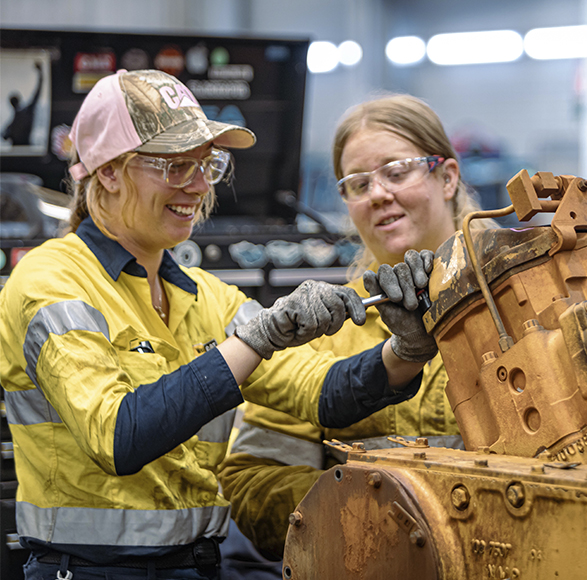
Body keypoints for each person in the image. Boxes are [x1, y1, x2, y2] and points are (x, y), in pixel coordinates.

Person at [0, 72, 434, 580]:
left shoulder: (204, 294)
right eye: (176, 164)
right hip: (88, 570)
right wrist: (256, 339)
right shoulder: (50, 280)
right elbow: (120, 435)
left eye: (206, 164)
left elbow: (320, 393)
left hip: (198, 565)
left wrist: (405, 351)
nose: (201, 185)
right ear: (109, 172)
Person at [217, 94, 493, 574]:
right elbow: (252, 479)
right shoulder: (328, 328)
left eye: (397, 171)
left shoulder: (515, 306)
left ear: (447, 177)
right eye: (358, 183)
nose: (378, 194)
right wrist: (367, 514)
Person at [2, 61, 44, 146]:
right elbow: (4, 136)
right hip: (19, 151)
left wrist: (40, 73)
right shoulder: (15, 120)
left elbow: (37, 93)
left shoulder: (24, 113)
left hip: (25, 149)